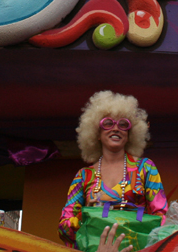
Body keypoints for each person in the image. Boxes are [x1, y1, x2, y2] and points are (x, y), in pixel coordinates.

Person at [58, 91, 167, 249]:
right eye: (108, 123)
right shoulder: (83, 176)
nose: (116, 128)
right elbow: (64, 224)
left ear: (130, 134)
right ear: (96, 133)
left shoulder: (145, 168)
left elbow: (161, 216)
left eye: (123, 124)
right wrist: (80, 219)